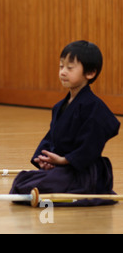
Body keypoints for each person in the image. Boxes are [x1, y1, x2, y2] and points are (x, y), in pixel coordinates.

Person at [10, 40, 120, 206]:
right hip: (63, 168)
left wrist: (64, 160)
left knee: (37, 187)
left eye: (70, 68)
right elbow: (51, 138)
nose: (63, 72)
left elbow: (90, 146)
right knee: (23, 180)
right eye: (61, 66)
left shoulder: (95, 108)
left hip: (84, 172)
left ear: (90, 73)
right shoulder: (60, 107)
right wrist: (45, 159)